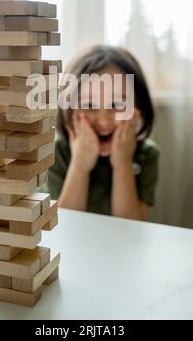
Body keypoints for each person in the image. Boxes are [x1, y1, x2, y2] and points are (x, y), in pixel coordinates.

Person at [42, 45, 160, 221]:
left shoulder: (146, 154)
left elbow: (130, 227)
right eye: (89, 105)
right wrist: (80, 166)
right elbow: (64, 226)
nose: (104, 121)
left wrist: (123, 165)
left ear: (139, 108)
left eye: (117, 105)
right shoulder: (54, 152)